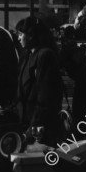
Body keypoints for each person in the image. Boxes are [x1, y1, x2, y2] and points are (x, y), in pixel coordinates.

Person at [15, 16, 63, 145]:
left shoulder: (44, 56)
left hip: (40, 128)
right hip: (27, 124)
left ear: (30, 35)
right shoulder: (27, 56)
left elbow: (45, 95)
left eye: (20, 34)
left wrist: (34, 126)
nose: (18, 38)